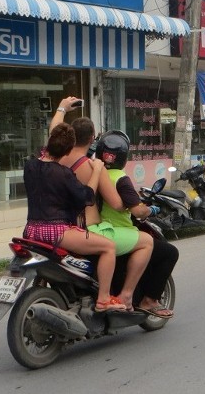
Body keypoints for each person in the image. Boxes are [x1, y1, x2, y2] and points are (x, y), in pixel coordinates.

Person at [50, 97, 158, 313]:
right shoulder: (92, 166)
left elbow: (54, 131)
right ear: (92, 139)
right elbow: (117, 204)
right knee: (143, 242)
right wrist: (135, 202)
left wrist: (62, 107)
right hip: (85, 229)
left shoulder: (58, 156)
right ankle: (117, 297)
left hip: (60, 224)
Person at [22, 122, 126, 312]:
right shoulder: (63, 174)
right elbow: (87, 197)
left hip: (30, 231)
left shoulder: (30, 166)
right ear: (68, 150)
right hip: (56, 233)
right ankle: (103, 298)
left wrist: (62, 109)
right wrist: (96, 170)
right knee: (108, 247)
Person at [94, 129, 177, 318]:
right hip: (116, 232)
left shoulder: (93, 172)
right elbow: (137, 210)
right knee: (169, 252)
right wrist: (151, 209)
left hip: (93, 231)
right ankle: (136, 298)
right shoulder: (120, 179)